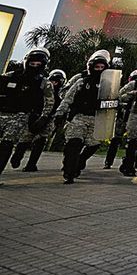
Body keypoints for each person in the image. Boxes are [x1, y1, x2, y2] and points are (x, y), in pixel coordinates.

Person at [55, 50, 111, 184]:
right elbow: (68, 98)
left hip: (97, 119)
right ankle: (69, 171)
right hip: (79, 117)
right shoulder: (81, 81)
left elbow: (114, 102)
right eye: (96, 67)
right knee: (74, 143)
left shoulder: (109, 85)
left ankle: (79, 161)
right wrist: (60, 113)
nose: (99, 70)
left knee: (94, 144)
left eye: (102, 67)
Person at [0, 49, 54, 182]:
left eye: (38, 64)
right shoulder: (10, 76)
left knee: (6, 145)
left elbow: (49, 101)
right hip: (2, 112)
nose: (34, 66)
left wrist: (43, 117)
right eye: (32, 63)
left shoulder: (44, 82)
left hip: (20, 116)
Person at [10, 68, 65, 172]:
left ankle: (31, 164)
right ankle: (16, 157)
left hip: (49, 120)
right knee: (25, 139)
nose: (53, 84)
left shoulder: (59, 98)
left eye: (56, 82)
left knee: (40, 141)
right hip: (34, 117)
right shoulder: (39, 91)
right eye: (52, 81)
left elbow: (60, 111)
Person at [104, 69, 137, 169]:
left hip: (135, 116)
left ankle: (133, 160)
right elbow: (119, 97)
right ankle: (109, 161)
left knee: (135, 140)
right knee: (116, 139)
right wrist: (130, 96)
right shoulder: (131, 85)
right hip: (124, 115)